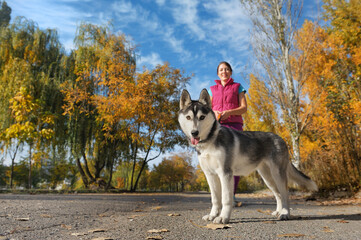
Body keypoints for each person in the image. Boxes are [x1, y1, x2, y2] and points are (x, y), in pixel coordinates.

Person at [209, 61, 247, 206]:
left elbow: (244, 108)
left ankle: (231, 195)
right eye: (221, 70)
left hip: (235, 126)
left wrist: (229, 112)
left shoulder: (238, 87)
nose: (224, 72)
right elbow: (208, 108)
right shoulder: (212, 89)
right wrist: (215, 112)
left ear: (230, 72)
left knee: (234, 161)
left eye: (226, 69)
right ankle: (219, 196)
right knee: (217, 161)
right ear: (218, 73)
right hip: (217, 127)